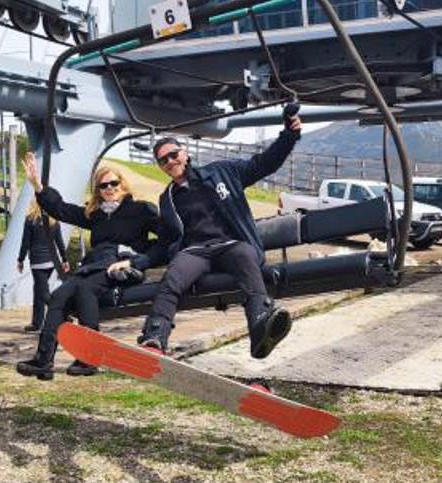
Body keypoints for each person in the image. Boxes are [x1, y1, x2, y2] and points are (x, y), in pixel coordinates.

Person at [109, 108, 302, 364]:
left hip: (231, 245)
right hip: (196, 252)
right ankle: (155, 338)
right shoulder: (167, 200)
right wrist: (136, 262)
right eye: (163, 160)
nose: (170, 162)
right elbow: (165, 244)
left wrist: (289, 135)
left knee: (245, 257)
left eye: (174, 154)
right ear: (161, 167)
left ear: (185, 153)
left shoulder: (223, 172)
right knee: (173, 277)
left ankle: (260, 325)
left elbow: (264, 164)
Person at [15, 153, 158, 380]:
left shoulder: (141, 210)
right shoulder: (96, 215)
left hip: (120, 267)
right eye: (103, 186)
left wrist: (137, 258)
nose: (109, 188)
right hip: (94, 266)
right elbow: (62, 209)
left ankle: (90, 358)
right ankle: (43, 360)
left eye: (113, 183)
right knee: (58, 296)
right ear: (98, 190)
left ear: (122, 184)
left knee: (84, 289)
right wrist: (39, 187)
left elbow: (167, 238)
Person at [17, 197, 69, 332]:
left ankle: (64, 313)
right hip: (51, 262)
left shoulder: (30, 220)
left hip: (37, 262)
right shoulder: (53, 221)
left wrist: (20, 260)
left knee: (43, 293)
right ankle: (36, 323)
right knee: (38, 290)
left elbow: (25, 242)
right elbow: (59, 242)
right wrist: (64, 260)